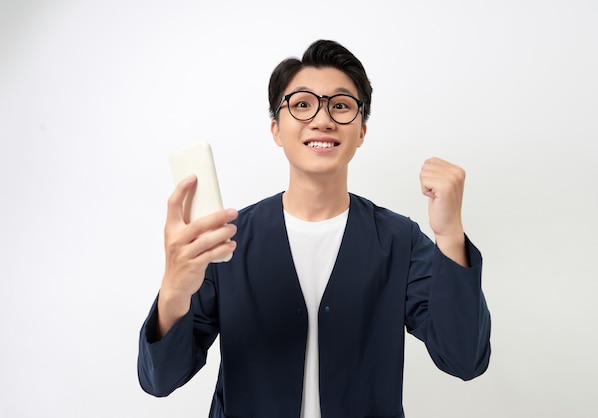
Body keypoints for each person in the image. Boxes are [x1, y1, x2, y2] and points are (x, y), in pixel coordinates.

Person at [138, 39, 491, 418]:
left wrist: (451, 235)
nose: (322, 119)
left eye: (341, 106)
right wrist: (174, 288)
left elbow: (463, 359)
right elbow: (161, 380)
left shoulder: (399, 240)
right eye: (302, 105)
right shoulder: (226, 241)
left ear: (361, 132)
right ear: (276, 129)